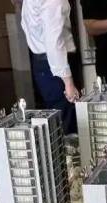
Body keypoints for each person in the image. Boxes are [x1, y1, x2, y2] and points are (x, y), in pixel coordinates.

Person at [21, 0, 79, 133]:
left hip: (43, 62)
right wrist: (68, 83)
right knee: (66, 123)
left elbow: (25, 24)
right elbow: (54, 43)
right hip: (56, 65)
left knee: (56, 120)